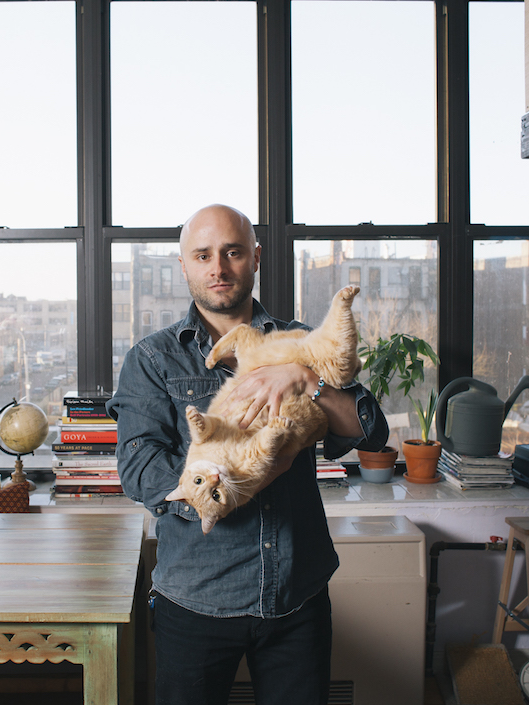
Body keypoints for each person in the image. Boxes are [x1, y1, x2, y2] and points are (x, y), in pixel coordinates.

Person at [106, 204, 388, 705]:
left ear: (255, 258)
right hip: (195, 600)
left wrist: (308, 381)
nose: (218, 267)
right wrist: (239, 478)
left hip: (295, 596)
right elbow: (141, 473)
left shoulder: (298, 340)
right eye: (204, 255)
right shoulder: (151, 359)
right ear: (185, 265)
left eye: (233, 252)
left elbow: (368, 430)